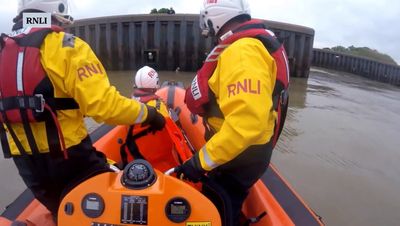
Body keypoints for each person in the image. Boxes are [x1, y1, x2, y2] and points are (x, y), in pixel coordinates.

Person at [0, 0, 165, 220]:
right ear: (56, 10)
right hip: (72, 160)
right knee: (127, 205)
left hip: (29, 168)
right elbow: (105, 106)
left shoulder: (4, 51)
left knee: (63, 212)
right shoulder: (67, 46)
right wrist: (150, 114)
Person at [180, 0, 290, 225]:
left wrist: (199, 163)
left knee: (218, 204)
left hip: (241, 155)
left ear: (214, 16)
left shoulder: (242, 51)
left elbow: (247, 123)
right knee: (225, 199)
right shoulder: (246, 47)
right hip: (242, 152)